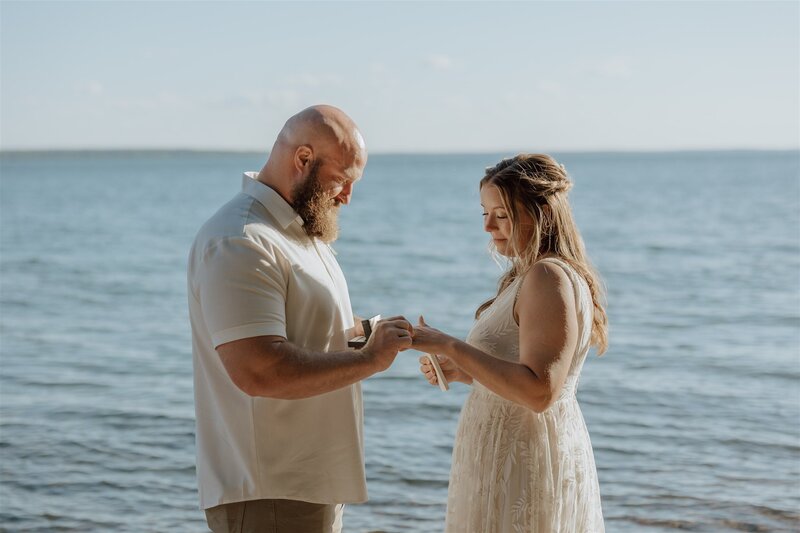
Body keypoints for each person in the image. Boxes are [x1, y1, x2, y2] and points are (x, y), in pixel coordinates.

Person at [187, 104, 413, 533]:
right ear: (303, 159)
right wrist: (370, 361)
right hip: (269, 493)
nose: (347, 196)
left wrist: (367, 337)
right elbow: (260, 370)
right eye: (343, 180)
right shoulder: (242, 240)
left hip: (305, 485)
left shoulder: (296, 233)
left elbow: (302, 329)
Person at [415, 154, 608, 532]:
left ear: (541, 214)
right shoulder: (530, 275)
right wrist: (465, 371)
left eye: (501, 214)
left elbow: (540, 391)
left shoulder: (547, 276)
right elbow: (519, 375)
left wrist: (451, 346)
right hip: (505, 450)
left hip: (523, 457)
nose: (488, 226)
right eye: (484, 213)